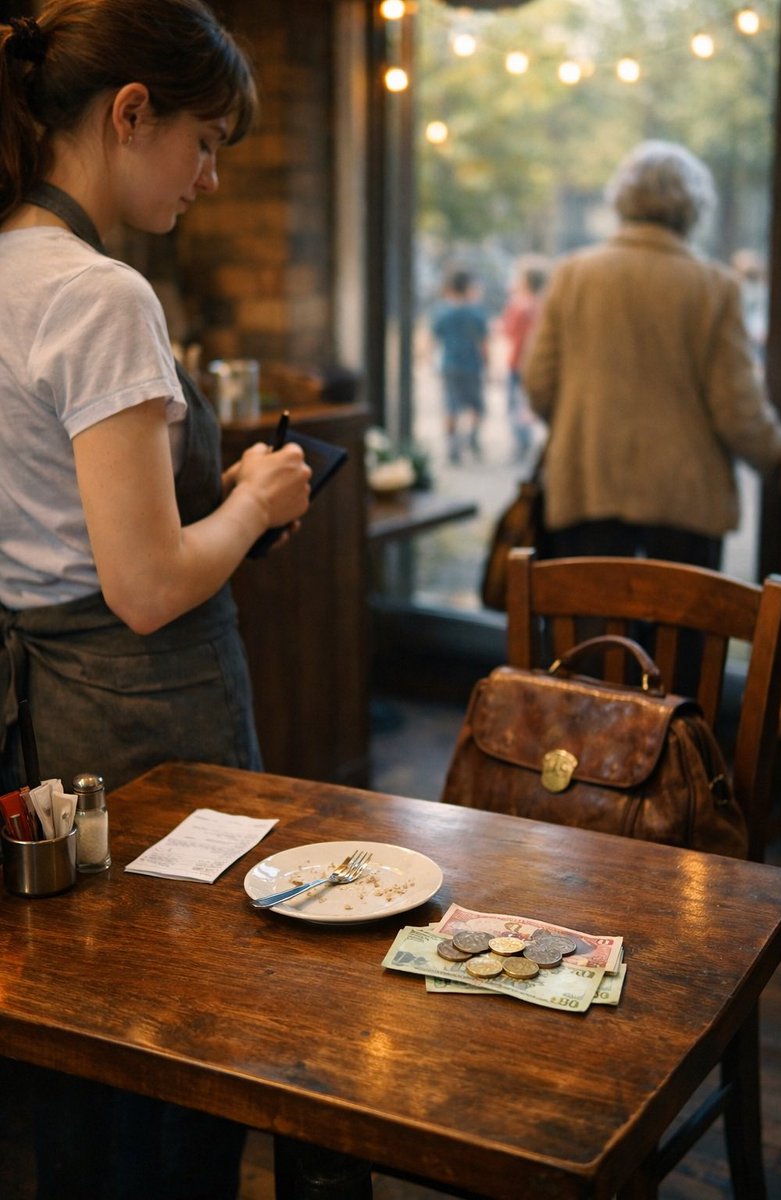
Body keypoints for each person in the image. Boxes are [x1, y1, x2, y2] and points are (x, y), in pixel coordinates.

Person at [0, 3, 312, 1197]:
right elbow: (143, 585)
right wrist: (254, 500)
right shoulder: (101, 296)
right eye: (206, 138)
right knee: (190, 1047)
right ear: (130, 113)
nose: (214, 175)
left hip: (48, 727)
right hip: (149, 720)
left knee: (87, 1048)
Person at [523, 140, 781, 574]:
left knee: (591, 635)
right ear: (694, 206)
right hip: (685, 500)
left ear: (622, 198)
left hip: (587, 486)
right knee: (682, 638)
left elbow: (538, 385)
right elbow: (736, 409)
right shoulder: (715, 287)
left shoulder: (573, 274)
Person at [430, 268, 489, 464]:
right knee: (476, 406)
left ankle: (452, 445)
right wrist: (488, 364)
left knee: (451, 407)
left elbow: (432, 339)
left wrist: (429, 361)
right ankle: (472, 436)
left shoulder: (443, 313)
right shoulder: (476, 313)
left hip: (450, 366)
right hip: (472, 365)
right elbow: (484, 342)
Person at [501, 256, 549, 461]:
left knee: (514, 405)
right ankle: (527, 441)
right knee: (526, 405)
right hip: (534, 363)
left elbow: (508, 330)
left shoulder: (518, 306)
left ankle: (521, 443)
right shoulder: (544, 305)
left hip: (516, 361)